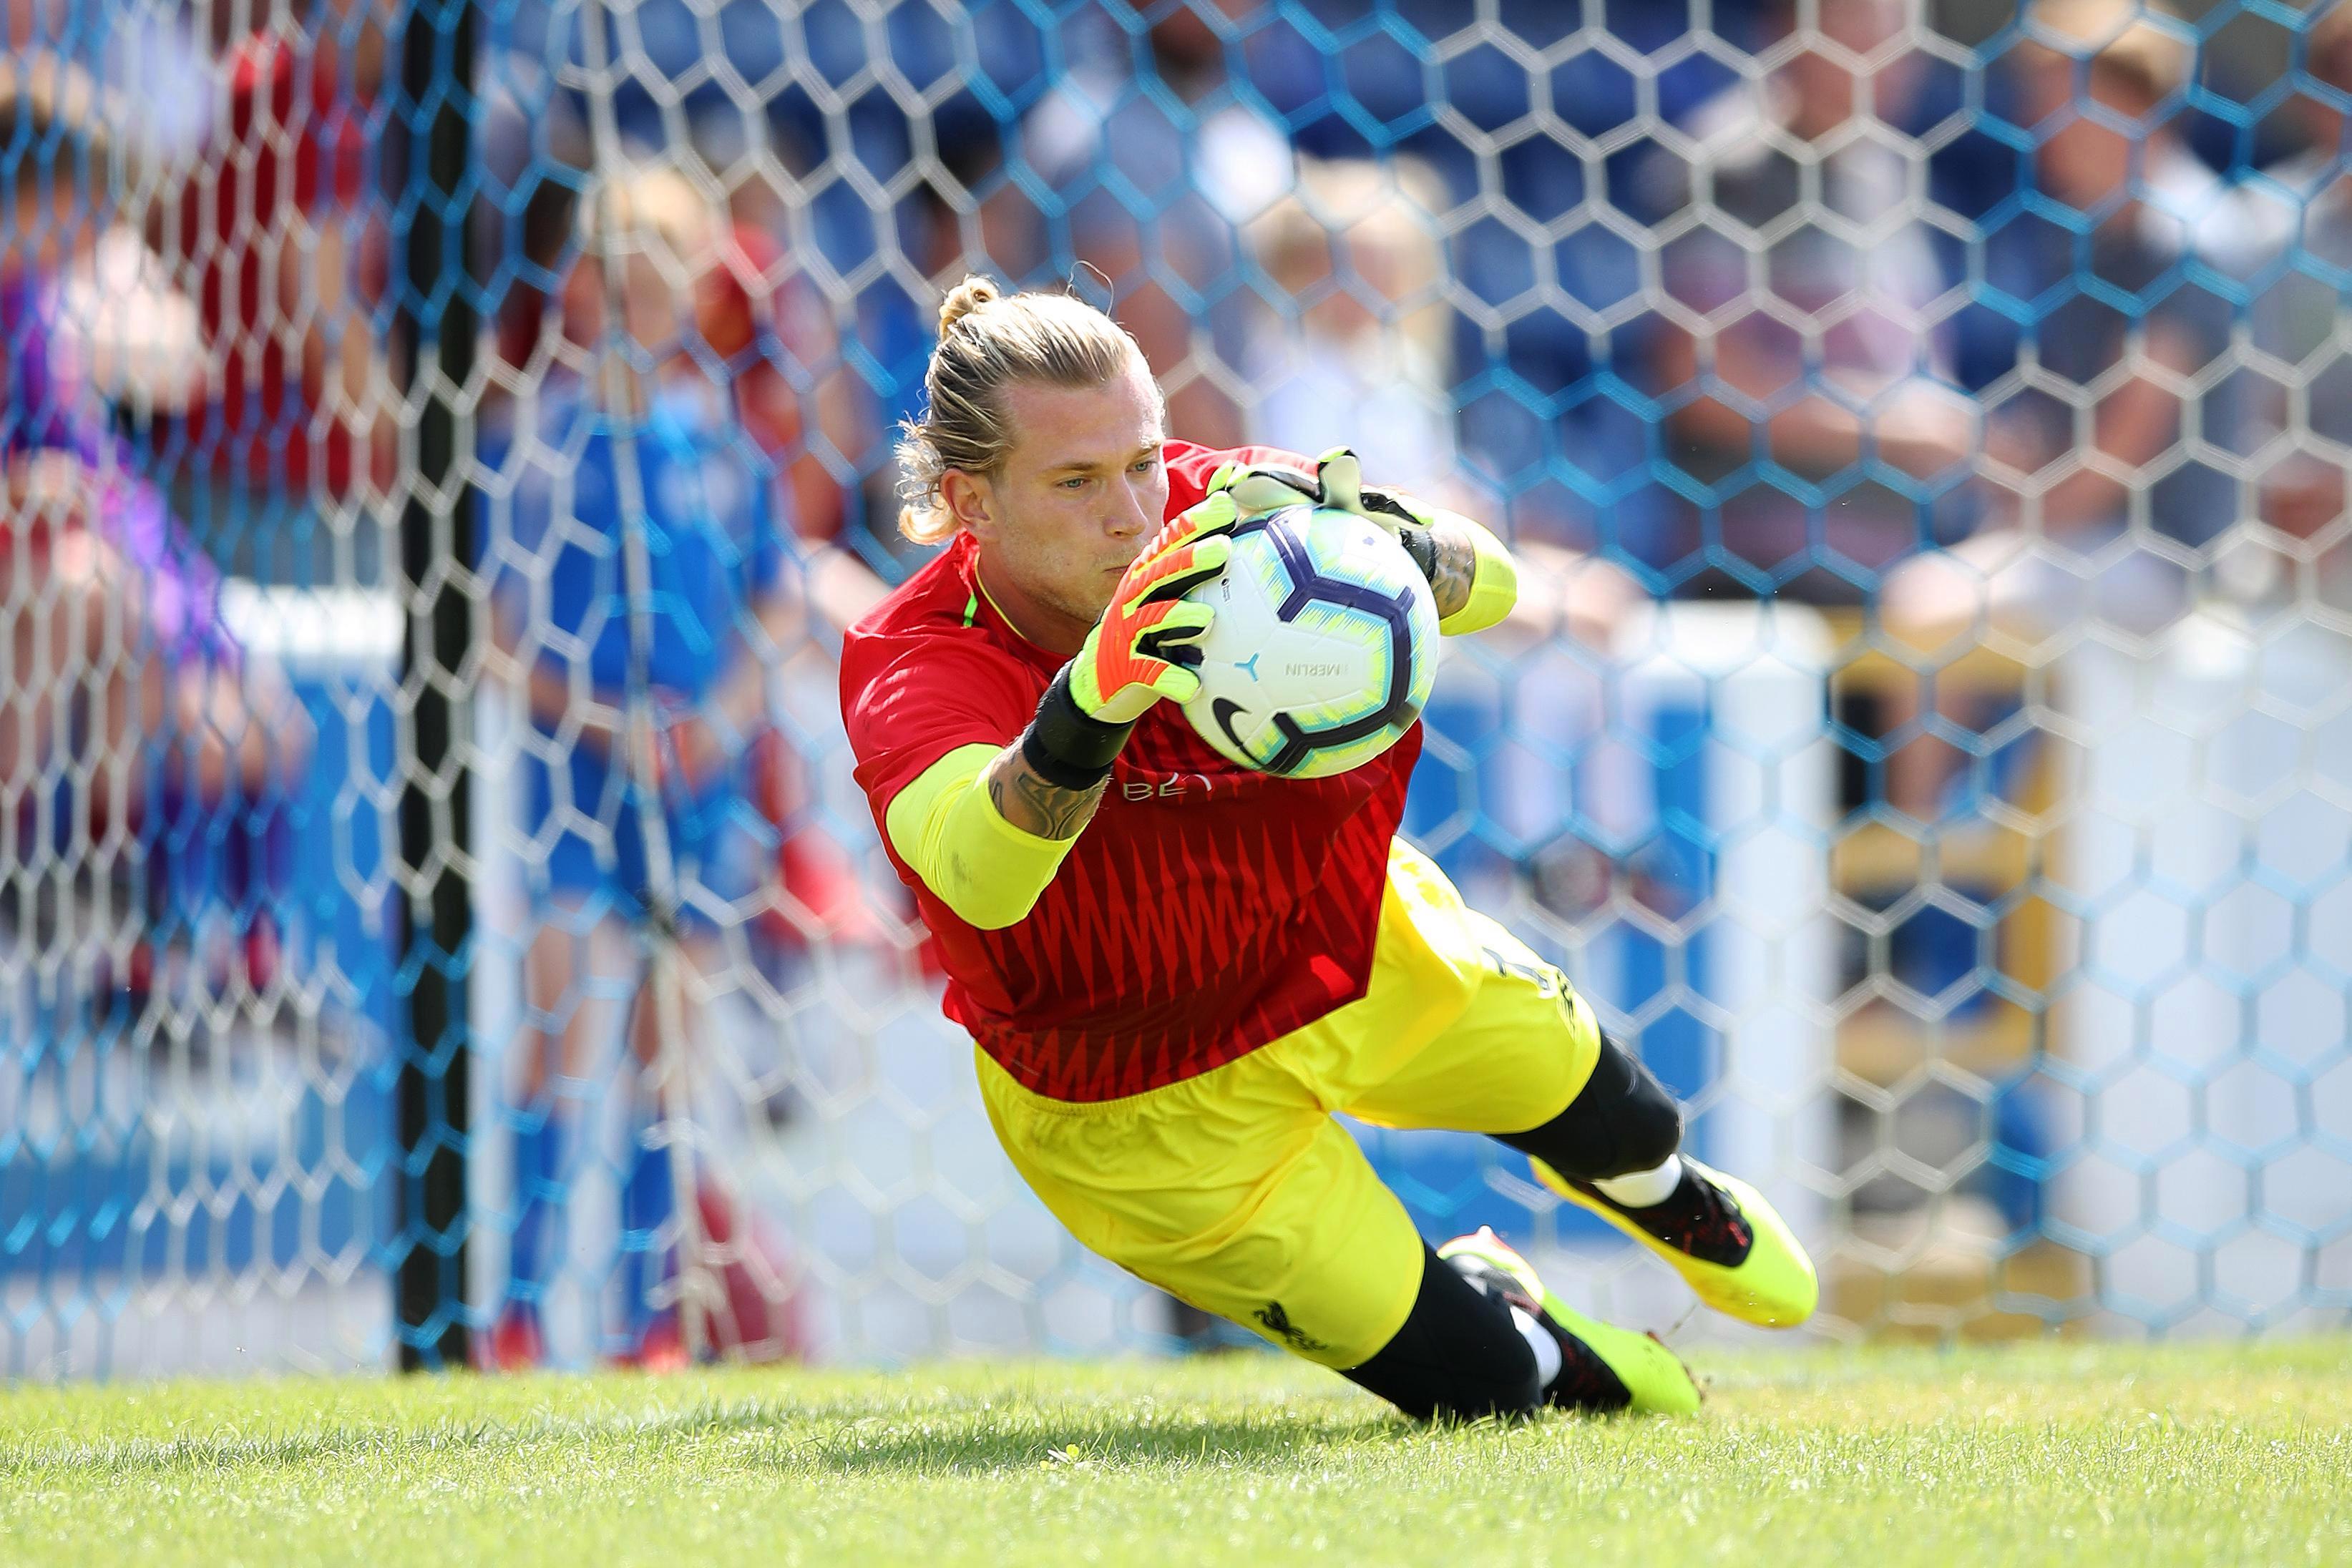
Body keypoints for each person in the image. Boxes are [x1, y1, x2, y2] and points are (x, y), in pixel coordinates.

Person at [839, 276, 1818, 1422]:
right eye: (1076, 482)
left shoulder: (1237, 518)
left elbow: (1489, 584)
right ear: (971, 502)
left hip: (1344, 938)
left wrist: (1414, 550)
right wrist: (1089, 704)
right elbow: (980, 879)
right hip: (1131, 1099)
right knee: (1490, 1391)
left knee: (1616, 1112)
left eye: (1143, 460)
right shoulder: (914, 662)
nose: (1133, 513)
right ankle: (1522, 1323)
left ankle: (1674, 1197)